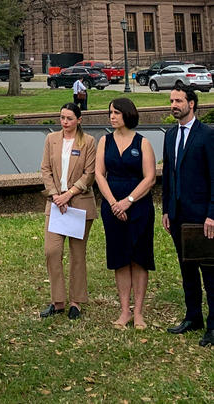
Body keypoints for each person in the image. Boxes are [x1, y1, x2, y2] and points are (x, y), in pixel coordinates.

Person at [95, 98, 156, 330]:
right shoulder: (105, 141)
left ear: (127, 115)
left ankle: (139, 312)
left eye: (116, 113)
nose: (112, 117)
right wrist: (113, 203)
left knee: (138, 258)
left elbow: (149, 178)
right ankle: (124, 311)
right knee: (120, 257)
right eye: (110, 112)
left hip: (138, 207)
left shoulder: (143, 143)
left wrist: (127, 202)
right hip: (112, 207)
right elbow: (99, 174)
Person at [163, 84, 214, 347]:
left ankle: (213, 326)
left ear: (191, 104)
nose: (173, 105)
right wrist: (165, 210)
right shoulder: (170, 136)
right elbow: (168, 177)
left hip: (203, 218)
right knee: (187, 270)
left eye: (178, 100)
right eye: (171, 100)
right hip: (178, 216)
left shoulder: (207, 135)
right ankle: (193, 317)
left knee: (210, 273)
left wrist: (212, 214)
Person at [39, 103, 97, 320]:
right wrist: (56, 195)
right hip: (55, 203)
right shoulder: (51, 140)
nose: (64, 122)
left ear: (79, 120)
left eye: (69, 118)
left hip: (79, 203)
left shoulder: (88, 142)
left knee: (77, 254)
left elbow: (89, 174)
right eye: (62, 117)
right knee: (51, 251)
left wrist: (68, 194)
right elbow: (45, 169)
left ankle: (76, 302)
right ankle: (58, 301)